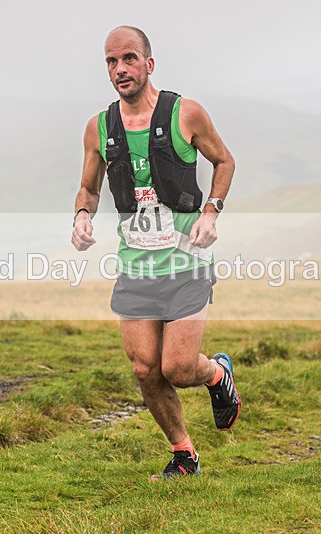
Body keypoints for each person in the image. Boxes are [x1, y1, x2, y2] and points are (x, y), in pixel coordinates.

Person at [71, 26, 240, 480]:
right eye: (111, 62)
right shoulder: (100, 127)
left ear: (149, 63)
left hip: (187, 261)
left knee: (179, 367)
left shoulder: (186, 114)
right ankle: (184, 455)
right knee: (146, 368)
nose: (119, 69)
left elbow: (224, 162)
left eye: (128, 58)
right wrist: (82, 217)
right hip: (136, 265)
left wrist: (211, 211)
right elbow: (89, 186)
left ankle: (217, 375)